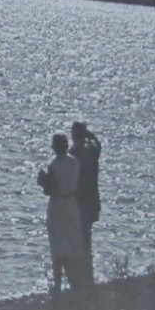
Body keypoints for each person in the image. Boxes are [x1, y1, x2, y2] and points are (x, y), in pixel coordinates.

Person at [37, 133, 86, 294]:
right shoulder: (75, 162)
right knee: (73, 243)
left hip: (58, 204)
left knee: (57, 245)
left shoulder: (54, 165)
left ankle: (57, 284)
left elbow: (49, 189)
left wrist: (43, 181)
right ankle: (77, 282)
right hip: (72, 203)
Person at [70, 121, 102, 285]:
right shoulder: (92, 151)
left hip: (78, 202)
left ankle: (80, 278)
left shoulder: (74, 153)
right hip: (92, 200)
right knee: (86, 239)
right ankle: (88, 276)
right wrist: (91, 135)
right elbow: (98, 145)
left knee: (78, 241)